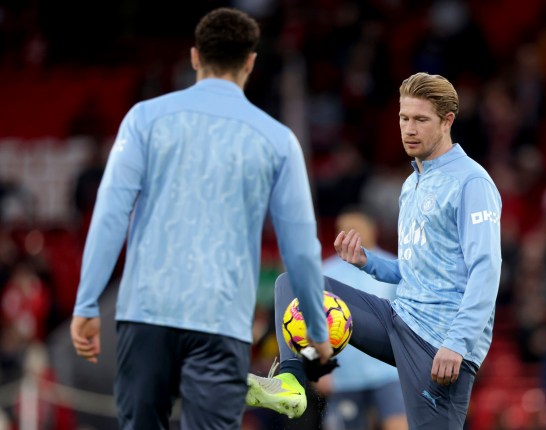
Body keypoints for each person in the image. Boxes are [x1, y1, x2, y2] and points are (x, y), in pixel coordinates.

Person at [69, 8, 332, 430]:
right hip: (221, 320)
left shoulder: (143, 119)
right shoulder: (278, 140)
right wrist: (316, 329)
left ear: (194, 57)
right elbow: (300, 248)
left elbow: (110, 212)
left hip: (145, 314)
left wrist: (86, 302)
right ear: (250, 62)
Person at [247, 72, 502, 429]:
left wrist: (458, 343)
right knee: (293, 284)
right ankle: (292, 382)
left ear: (447, 121)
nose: (409, 129)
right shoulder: (412, 184)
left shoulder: (472, 182)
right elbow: (417, 270)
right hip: (399, 320)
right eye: (403, 118)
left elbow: (486, 269)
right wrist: (368, 263)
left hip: (439, 344)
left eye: (420, 120)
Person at [317, 206, 407, 430]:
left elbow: (408, 321)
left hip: (388, 371)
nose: (352, 234)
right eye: (346, 229)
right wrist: (316, 368)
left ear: (372, 231)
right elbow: (310, 323)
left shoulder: (393, 269)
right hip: (344, 375)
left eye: (357, 228)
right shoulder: (324, 273)